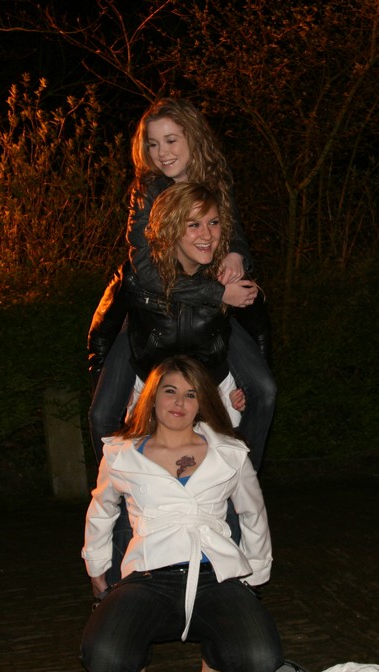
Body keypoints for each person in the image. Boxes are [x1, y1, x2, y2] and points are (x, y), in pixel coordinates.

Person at [88, 96, 275, 473]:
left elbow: (235, 231)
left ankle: (244, 482)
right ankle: (116, 490)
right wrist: (218, 292)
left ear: (193, 137)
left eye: (171, 140)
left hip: (210, 316)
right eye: (153, 144)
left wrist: (237, 254)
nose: (162, 153)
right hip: (153, 309)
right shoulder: (147, 189)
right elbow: (145, 270)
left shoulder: (217, 178)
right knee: (101, 415)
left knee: (264, 391)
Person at [81, 355, 283, 672]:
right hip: (148, 574)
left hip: (216, 573)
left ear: (202, 402)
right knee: (104, 660)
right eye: (170, 391)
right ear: (152, 397)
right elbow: (101, 510)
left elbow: (253, 512)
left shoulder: (229, 451)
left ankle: (213, 653)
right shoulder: (122, 452)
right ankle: (138, 653)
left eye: (191, 394)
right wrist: (97, 569)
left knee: (261, 661)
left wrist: (256, 573)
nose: (179, 402)